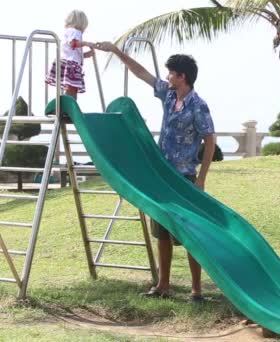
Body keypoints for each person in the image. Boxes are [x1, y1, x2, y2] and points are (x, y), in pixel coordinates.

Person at [94, 41, 216, 304]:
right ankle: (163, 285)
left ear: (182, 76)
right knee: (161, 233)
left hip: (184, 178)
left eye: (171, 73)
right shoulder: (169, 95)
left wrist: (202, 179)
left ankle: (196, 290)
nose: (167, 76)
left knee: (190, 235)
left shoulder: (198, 105)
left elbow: (210, 140)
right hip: (161, 175)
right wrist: (116, 52)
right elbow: (141, 73)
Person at [45, 10, 95, 100]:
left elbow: (73, 52)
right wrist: (87, 43)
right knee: (72, 89)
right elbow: (73, 44)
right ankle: (69, 107)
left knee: (72, 89)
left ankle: (69, 106)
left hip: (67, 61)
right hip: (70, 65)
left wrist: (87, 54)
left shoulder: (69, 31)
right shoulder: (75, 31)